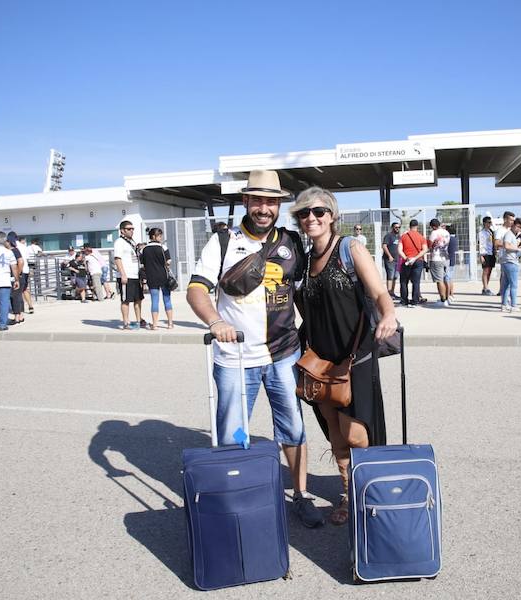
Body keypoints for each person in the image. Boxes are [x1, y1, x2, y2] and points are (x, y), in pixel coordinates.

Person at [186, 170, 323, 528]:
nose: (264, 208)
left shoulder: (293, 242)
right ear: (246, 201)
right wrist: (216, 322)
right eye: (258, 200)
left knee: (293, 429)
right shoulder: (223, 242)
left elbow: (315, 283)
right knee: (232, 434)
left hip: (284, 353)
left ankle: (301, 495)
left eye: (271, 201)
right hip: (236, 358)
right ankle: (239, 501)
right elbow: (197, 290)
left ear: (279, 205)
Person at [290, 186, 397, 526]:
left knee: (354, 432)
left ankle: (370, 491)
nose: (311, 218)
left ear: (332, 215)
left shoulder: (350, 248)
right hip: (320, 360)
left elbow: (379, 291)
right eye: (304, 213)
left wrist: (389, 314)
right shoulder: (303, 262)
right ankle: (349, 493)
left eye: (319, 211)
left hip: (355, 356)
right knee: (335, 434)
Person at [140, 227, 174, 329]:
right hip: (163, 276)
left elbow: (143, 265)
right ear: (154, 236)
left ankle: (154, 324)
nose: (161, 237)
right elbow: (168, 262)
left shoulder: (144, 249)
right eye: (159, 235)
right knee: (167, 300)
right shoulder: (163, 247)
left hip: (151, 277)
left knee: (154, 300)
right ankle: (170, 323)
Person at [114, 221, 145, 330]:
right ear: (122, 230)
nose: (131, 231)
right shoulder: (119, 242)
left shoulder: (131, 241)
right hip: (126, 275)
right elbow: (117, 259)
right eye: (129, 229)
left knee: (138, 299)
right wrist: (123, 274)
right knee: (126, 300)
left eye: (133, 228)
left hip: (135, 275)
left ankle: (138, 320)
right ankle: (126, 322)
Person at [398, 219, 427, 308]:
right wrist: (415, 258)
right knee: (416, 282)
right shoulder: (421, 237)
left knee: (403, 281)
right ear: (417, 226)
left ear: (409, 226)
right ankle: (414, 301)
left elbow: (399, 250)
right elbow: (425, 249)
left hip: (406, 261)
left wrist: (406, 258)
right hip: (418, 261)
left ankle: (404, 300)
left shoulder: (403, 236)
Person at [497, 217, 521, 312]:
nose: (518, 229)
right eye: (517, 226)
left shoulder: (511, 234)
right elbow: (507, 246)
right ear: (513, 225)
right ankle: (513, 305)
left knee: (506, 285)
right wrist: (517, 249)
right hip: (510, 262)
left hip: (507, 262)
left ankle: (504, 305)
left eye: (520, 227)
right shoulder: (509, 234)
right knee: (513, 285)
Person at [427, 218, 451, 306]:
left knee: (439, 280)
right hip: (446, 257)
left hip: (436, 258)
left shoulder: (434, 233)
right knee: (446, 279)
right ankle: (447, 298)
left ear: (433, 226)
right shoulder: (446, 232)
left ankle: (442, 300)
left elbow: (429, 245)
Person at [495, 211, 517, 297]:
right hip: (504, 256)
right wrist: (507, 245)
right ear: (505, 219)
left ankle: (504, 292)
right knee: (504, 275)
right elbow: (496, 243)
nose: (512, 222)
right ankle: (502, 292)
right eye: (510, 220)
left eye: (513, 220)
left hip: (512, 256)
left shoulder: (511, 230)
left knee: (508, 276)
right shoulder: (500, 230)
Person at [4, 238, 26, 322]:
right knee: (18, 296)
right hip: (17, 276)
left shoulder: (13, 251)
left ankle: (17, 316)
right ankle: (20, 315)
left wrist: (17, 273)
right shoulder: (14, 250)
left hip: (15, 277)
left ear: (9, 243)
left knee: (14, 296)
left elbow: (21, 262)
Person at [381, 222, 401, 299]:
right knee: (390, 276)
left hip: (397, 259)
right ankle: (389, 293)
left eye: (399, 227)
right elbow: (384, 246)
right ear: (392, 228)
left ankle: (392, 292)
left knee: (395, 276)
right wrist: (389, 256)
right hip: (389, 260)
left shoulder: (399, 237)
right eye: (396, 227)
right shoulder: (388, 236)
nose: (397, 229)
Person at [17, 236, 35, 314]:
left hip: (19, 270)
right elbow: (28, 259)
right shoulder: (25, 247)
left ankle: (20, 308)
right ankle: (30, 306)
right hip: (25, 270)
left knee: (18, 290)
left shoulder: (15, 246)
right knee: (25, 289)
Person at [478, 216, 495, 295]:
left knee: (489, 271)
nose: (489, 224)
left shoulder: (491, 232)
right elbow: (481, 244)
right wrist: (481, 255)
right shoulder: (481, 233)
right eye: (488, 222)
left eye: (490, 222)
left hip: (491, 253)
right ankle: (485, 288)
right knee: (485, 271)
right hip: (485, 253)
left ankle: (486, 287)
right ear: (484, 223)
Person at [445, 225, 458, 302]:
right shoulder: (455, 239)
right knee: (450, 279)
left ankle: (449, 295)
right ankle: (451, 294)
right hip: (452, 260)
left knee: (447, 279)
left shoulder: (449, 239)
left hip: (448, 260)